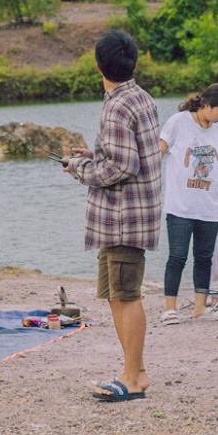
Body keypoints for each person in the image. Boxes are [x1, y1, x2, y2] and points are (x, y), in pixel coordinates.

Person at [63, 29, 162, 402]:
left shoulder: (117, 105)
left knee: (126, 295)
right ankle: (136, 371)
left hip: (123, 217)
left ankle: (132, 379)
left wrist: (79, 169)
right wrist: (93, 155)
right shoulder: (140, 97)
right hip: (126, 215)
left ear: (98, 65)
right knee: (115, 295)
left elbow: (122, 166)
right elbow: (128, 153)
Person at [157, 83, 218, 324]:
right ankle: (169, 309)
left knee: (204, 258)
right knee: (177, 256)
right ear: (207, 105)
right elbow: (160, 149)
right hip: (180, 206)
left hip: (210, 207)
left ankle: (199, 308)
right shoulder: (178, 122)